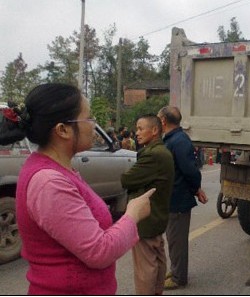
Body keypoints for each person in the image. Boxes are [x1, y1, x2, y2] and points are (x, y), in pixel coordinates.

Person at [0, 83, 154, 295]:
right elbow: (100, 251)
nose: (93, 125)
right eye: (88, 118)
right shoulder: (49, 182)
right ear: (62, 130)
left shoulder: (59, 170)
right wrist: (132, 214)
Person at [120, 114, 175, 295]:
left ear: (154, 130)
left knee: (145, 268)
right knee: (158, 260)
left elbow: (127, 179)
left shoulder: (152, 154)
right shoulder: (162, 152)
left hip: (147, 218)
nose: (137, 133)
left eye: (141, 128)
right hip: (158, 215)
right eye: (136, 128)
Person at [157, 106, 208, 290]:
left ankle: (179, 277)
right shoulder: (172, 139)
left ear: (163, 120)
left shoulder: (178, 141)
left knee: (177, 239)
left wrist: (196, 188)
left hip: (178, 199)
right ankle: (176, 269)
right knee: (173, 238)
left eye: (157, 118)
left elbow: (190, 170)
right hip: (172, 198)